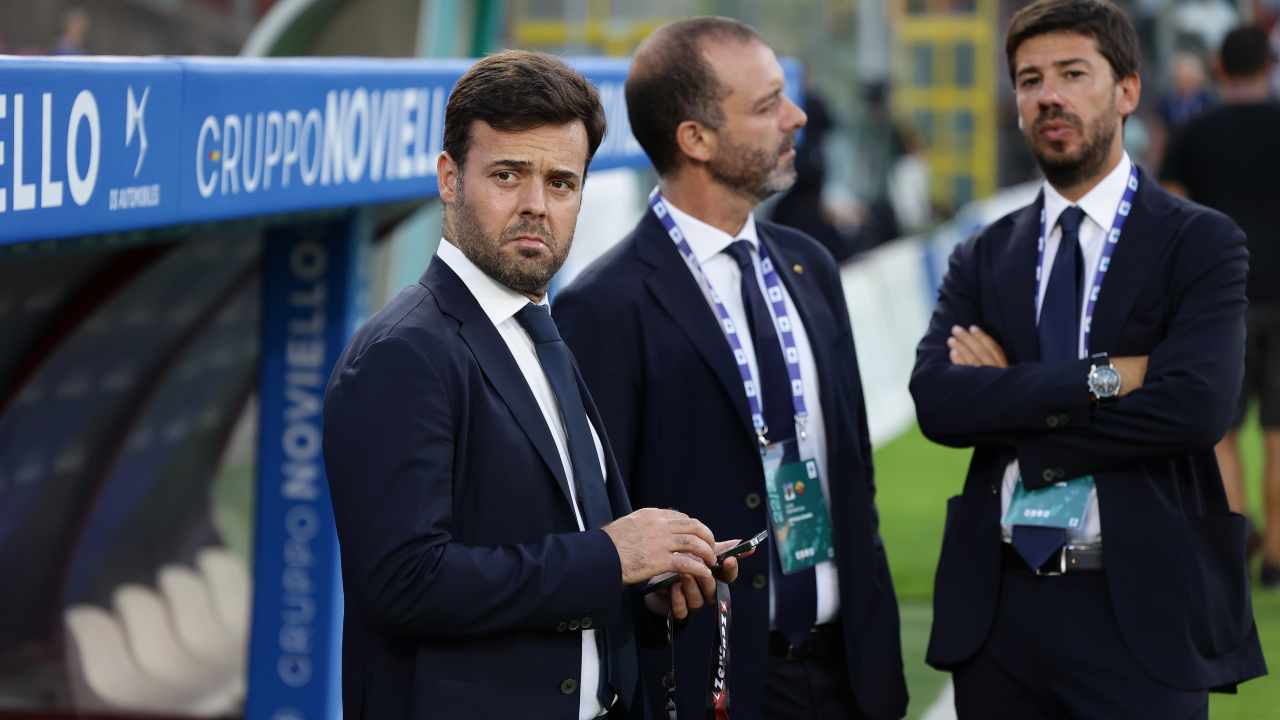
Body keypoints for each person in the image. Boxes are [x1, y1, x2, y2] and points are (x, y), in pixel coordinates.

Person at [322, 50, 741, 720]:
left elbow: (556, 557)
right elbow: (404, 583)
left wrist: (646, 586)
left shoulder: (540, 331)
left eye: (561, 182)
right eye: (507, 175)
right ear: (449, 179)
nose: (535, 206)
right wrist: (610, 559)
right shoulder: (404, 352)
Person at [910, 0, 1268, 717]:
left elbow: (1194, 408)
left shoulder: (1199, 242)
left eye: (1073, 74)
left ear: (1127, 90)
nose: (1049, 95)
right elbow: (939, 402)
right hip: (1000, 616)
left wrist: (1012, 402)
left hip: (1143, 615)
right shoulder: (984, 253)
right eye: (1030, 79)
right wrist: (1109, 377)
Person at [555, 17, 907, 720]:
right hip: (708, 683)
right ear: (696, 139)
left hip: (847, 676)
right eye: (768, 103)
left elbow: (854, 473)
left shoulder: (810, 267)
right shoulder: (603, 306)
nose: (796, 117)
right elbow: (596, 527)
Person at [1162, 24, 1280, 588]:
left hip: (1221, 301)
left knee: (1221, 430)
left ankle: (1237, 536)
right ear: (1270, 66)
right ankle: (1277, 557)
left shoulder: (1193, 132)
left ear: (1220, 69)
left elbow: (1170, 213)